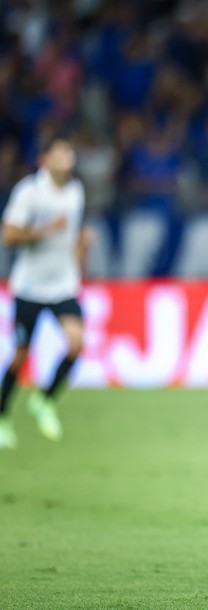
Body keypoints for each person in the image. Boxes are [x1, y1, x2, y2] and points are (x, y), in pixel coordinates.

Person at [0, 135, 88, 448]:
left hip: (63, 284)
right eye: (61, 151)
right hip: (30, 288)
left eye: (70, 151)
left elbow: (75, 235)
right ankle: (2, 416)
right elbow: (8, 235)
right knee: (21, 355)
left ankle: (45, 400)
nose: (68, 156)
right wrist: (44, 230)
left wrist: (80, 259)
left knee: (76, 343)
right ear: (45, 158)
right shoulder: (29, 192)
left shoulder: (76, 191)